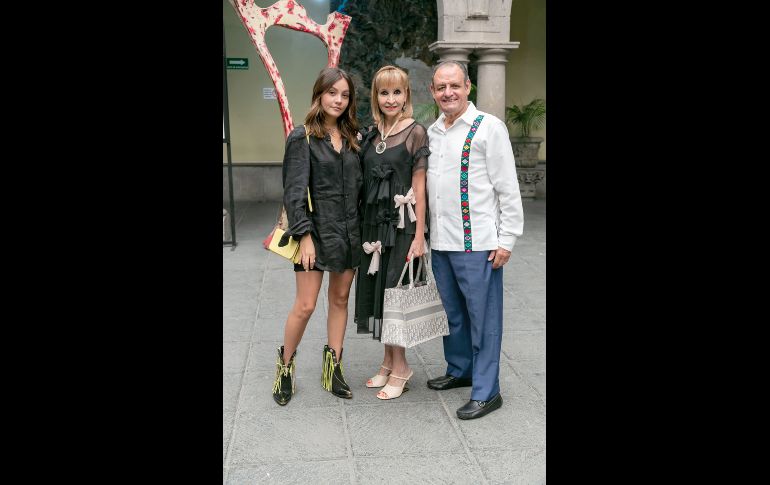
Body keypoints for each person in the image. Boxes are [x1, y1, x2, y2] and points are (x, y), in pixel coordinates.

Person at [425, 60, 524, 419]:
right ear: (433, 92)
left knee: (484, 319)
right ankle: (460, 369)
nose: (447, 93)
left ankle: (487, 390)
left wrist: (507, 239)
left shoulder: (489, 128)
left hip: (479, 243)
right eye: (440, 87)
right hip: (441, 242)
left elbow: (507, 188)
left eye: (454, 85)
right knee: (453, 314)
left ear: (468, 86)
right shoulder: (433, 131)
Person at [272, 67, 363, 406]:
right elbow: (293, 193)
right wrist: (305, 237)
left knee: (340, 301)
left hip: (349, 232)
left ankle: (332, 368)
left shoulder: (354, 137)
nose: (338, 100)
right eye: (332, 93)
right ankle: (285, 366)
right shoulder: (303, 137)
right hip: (314, 233)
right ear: (319, 95)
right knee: (306, 304)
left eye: (344, 94)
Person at [354, 65, 429, 400]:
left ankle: (401, 367)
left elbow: (420, 187)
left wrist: (419, 236)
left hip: (401, 227)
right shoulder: (371, 134)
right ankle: (387, 362)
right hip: (373, 227)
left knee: (395, 296)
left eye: (397, 92)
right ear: (376, 96)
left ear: (406, 95)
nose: (390, 99)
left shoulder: (416, 132)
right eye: (384, 92)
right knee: (378, 295)